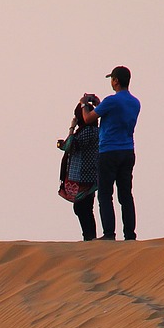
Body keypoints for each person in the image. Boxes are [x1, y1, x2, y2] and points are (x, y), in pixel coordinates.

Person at [82, 65, 141, 240]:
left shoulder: (111, 101)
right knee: (125, 194)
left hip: (109, 151)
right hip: (128, 150)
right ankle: (130, 234)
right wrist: (100, 105)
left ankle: (109, 233)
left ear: (115, 81)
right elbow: (115, 115)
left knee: (105, 194)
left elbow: (88, 118)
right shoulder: (135, 102)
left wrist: (85, 104)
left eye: (112, 79)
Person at [57, 94, 100, 240]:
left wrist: (71, 128)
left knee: (82, 209)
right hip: (90, 177)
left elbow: (69, 146)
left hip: (83, 178)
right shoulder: (95, 130)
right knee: (85, 209)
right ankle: (89, 238)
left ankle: (89, 239)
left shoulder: (87, 131)